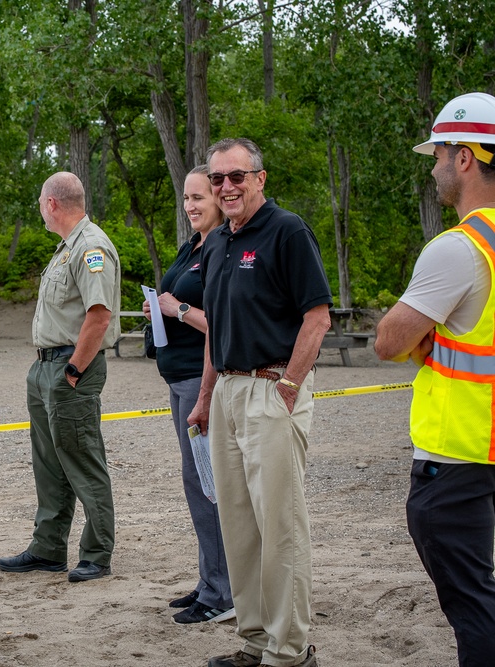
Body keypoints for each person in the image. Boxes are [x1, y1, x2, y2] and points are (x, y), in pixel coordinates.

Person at [187, 138, 331, 667]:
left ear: (260, 179)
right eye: (218, 177)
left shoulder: (287, 231)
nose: (226, 186)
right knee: (240, 527)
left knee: (280, 526)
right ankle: (254, 641)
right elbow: (215, 329)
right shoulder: (219, 242)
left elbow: (318, 318)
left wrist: (290, 387)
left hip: (272, 388)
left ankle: (291, 652)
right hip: (226, 392)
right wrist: (205, 398)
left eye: (237, 177)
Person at [375, 91, 495, 667]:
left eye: (439, 155)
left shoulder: (459, 249)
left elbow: (388, 341)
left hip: (458, 455)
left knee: (475, 607)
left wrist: (428, 337)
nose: (434, 167)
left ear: (465, 157)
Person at [0, 171, 121, 583]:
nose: (40, 212)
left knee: (82, 459)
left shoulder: (91, 247)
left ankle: (97, 553)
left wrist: (73, 370)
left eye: (40, 204)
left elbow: (99, 316)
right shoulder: (65, 249)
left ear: (51, 203)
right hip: (46, 365)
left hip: (71, 367)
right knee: (49, 464)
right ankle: (48, 549)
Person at [143, 165, 233, 624]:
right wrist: (158, 306)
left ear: (218, 198)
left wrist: (176, 308)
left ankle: (222, 593)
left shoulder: (220, 246)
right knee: (196, 483)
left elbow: (219, 321)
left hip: (202, 381)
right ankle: (209, 579)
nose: (191, 206)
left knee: (208, 485)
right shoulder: (193, 245)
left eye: (198, 197)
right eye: (186, 198)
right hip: (177, 378)